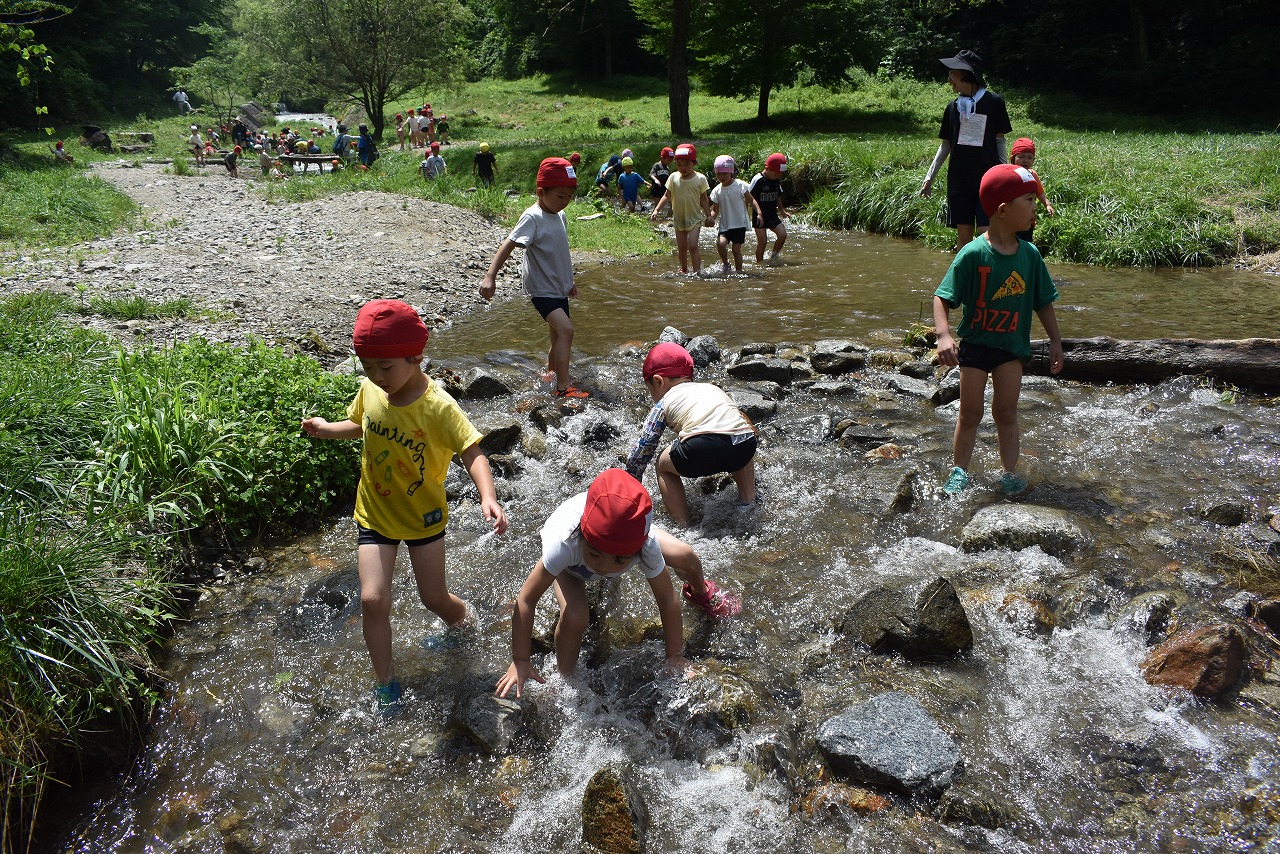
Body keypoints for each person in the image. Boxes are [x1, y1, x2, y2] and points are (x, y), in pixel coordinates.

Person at [301, 299, 509, 715]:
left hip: (423, 519)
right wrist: (326, 430)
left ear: (415, 357)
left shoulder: (438, 406)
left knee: (434, 598)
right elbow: (362, 424)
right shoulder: (371, 390)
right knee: (372, 601)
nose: (377, 378)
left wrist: (488, 495)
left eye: (386, 368)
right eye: (367, 367)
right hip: (375, 514)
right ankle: (386, 682)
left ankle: (464, 622)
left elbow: (473, 452)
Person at [494, 468, 741, 699]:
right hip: (572, 570)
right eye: (595, 555)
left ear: (636, 551)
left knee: (686, 555)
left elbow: (667, 601)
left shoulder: (645, 546)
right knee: (576, 616)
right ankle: (566, 678)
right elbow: (526, 600)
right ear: (583, 539)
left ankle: (700, 592)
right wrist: (520, 660)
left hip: (624, 530)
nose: (604, 566)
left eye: (618, 560)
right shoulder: (565, 543)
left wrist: (674, 657)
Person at [932, 164, 1065, 497]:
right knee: (970, 411)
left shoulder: (1030, 255)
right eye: (1029, 200)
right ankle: (960, 470)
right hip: (976, 346)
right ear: (1004, 211)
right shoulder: (973, 253)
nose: (1036, 206)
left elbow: (1043, 302)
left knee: (1006, 411)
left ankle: (1008, 472)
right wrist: (944, 335)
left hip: (1011, 348)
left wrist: (1055, 341)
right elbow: (942, 296)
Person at [479, 158, 589, 399]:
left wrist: (568, 282)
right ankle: (563, 387)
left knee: (557, 335)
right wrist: (490, 276)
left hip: (558, 288)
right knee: (567, 331)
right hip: (541, 290)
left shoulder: (559, 216)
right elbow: (508, 243)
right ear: (541, 192)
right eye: (561, 196)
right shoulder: (533, 217)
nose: (565, 201)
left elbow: (559, 252)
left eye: (569, 196)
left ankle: (551, 372)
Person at [624, 342, 758, 526]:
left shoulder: (664, 401)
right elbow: (741, 419)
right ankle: (748, 502)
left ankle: (682, 524)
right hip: (745, 445)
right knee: (737, 434)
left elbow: (645, 445)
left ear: (658, 381)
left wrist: (631, 479)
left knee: (662, 464)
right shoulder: (712, 389)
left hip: (700, 447)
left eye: (650, 390)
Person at [920, 49, 1012, 251]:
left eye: (952, 73)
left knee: (986, 233)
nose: (949, 79)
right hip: (959, 181)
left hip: (988, 180)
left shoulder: (994, 102)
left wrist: (1005, 175)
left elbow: (1000, 141)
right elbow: (946, 145)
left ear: (966, 73)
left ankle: (988, 278)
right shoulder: (952, 108)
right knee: (963, 233)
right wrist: (929, 177)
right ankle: (965, 280)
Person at [650, 143, 713, 275]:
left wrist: (709, 215)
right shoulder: (673, 177)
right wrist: (656, 210)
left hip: (695, 218)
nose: (682, 168)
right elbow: (667, 196)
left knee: (693, 246)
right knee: (682, 248)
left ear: (694, 163)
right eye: (679, 164)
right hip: (679, 219)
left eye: (686, 164)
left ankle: (697, 272)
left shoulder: (700, 179)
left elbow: (704, 199)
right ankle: (684, 269)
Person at [709, 155, 762, 273]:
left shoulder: (740, 185)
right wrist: (710, 218)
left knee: (736, 249)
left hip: (739, 224)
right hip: (725, 225)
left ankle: (739, 271)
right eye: (718, 174)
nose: (721, 177)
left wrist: (759, 212)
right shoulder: (717, 190)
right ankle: (726, 263)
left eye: (724, 174)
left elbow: (751, 200)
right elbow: (715, 210)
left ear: (731, 172)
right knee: (721, 244)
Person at [1009, 137, 1055, 243]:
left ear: (1033, 160)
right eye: (1021, 157)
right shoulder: (1009, 175)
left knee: (1026, 243)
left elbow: (1040, 193)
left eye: (1030, 158)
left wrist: (1047, 205)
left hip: (1027, 220)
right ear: (1012, 158)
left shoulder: (1032, 174)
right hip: (1011, 219)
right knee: (1011, 243)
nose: (1025, 160)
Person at [749, 152, 790, 264]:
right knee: (762, 242)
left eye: (780, 175)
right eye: (776, 174)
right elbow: (748, 196)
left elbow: (778, 195)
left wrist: (782, 210)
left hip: (772, 214)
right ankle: (760, 263)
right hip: (759, 215)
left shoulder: (776, 180)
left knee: (782, 235)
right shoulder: (758, 179)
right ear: (767, 169)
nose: (778, 177)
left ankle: (773, 257)